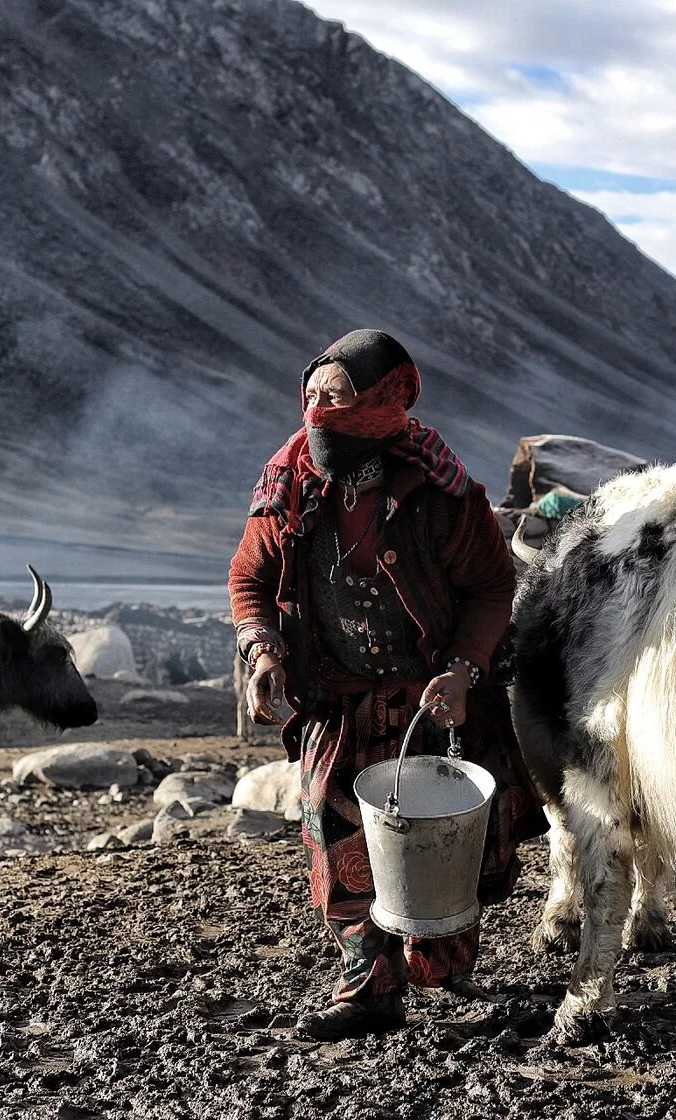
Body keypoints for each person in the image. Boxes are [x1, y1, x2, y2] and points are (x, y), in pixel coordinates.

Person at [229, 329, 545, 1041]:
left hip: (433, 702)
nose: (317, 412)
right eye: (309, 396)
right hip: (338, 702)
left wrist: (463, 671)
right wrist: (264, 650)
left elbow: (493, 587)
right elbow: (249, 575)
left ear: (384, 400)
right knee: (333, 829)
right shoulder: (289, 485)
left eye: (336, 398)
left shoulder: (442, 491)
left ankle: (440, 961)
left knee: (443, 843)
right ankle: (369, 987)